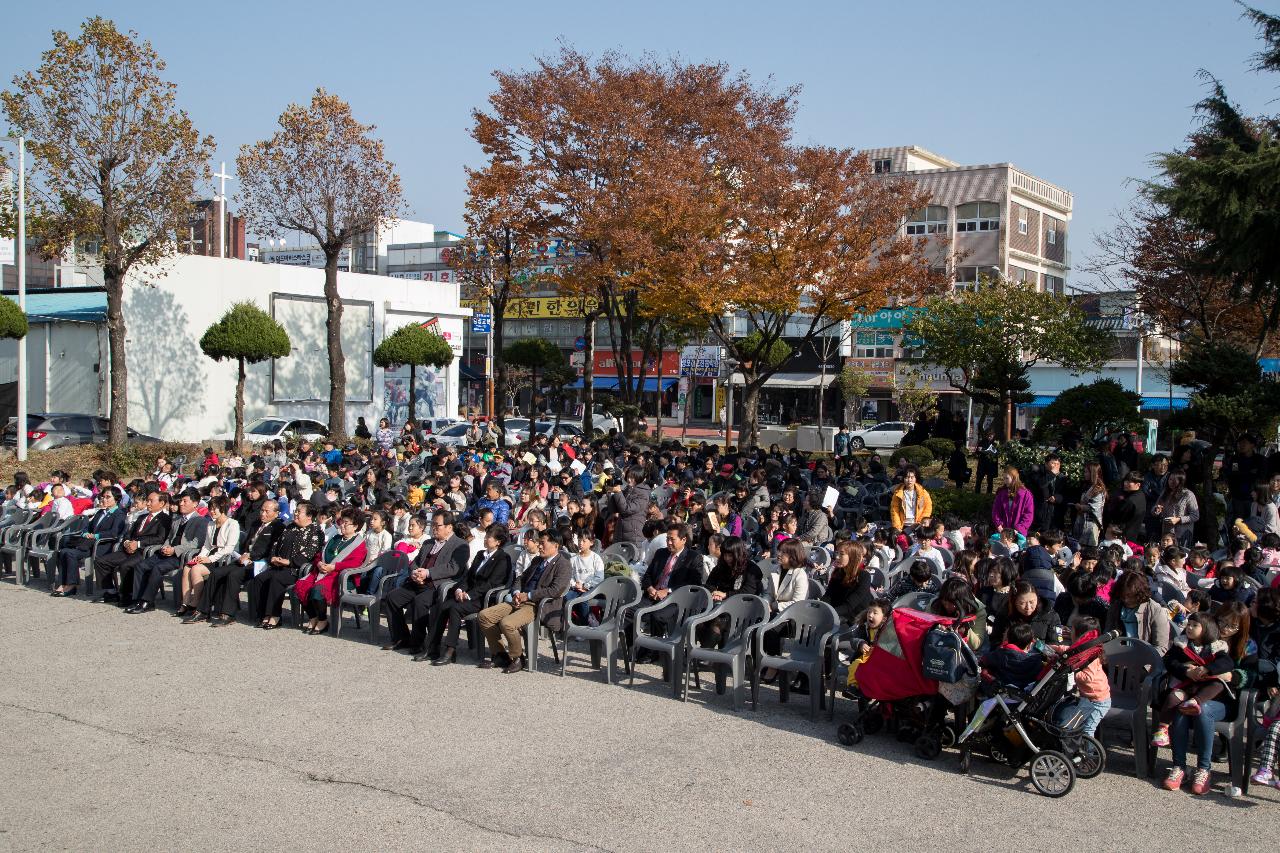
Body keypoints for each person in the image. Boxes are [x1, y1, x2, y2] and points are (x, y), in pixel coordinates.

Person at [1153, 613, 1234, 794]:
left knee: (1202, 709)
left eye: (1194, 625)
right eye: (1188, 624)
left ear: (1207, 629)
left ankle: (1204, 770)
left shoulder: (1218, 647)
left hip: (1214, 697)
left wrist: (1206, 669)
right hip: (1187, 688)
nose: (1189, 627)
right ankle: (1179, 767)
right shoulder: (1181, 643)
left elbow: (1227, 664)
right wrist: (1185, 671)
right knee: (1182, 708)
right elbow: (1169, 661)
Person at [477, 529, 572, 673]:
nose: (539, 546)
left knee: (507, 624)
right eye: (539, 543)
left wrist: (528, 596)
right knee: (484, 616)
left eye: (542, 543)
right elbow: (521, 578)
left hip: (537, 605)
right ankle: (501, 655)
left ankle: (517, 658)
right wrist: (516, 592)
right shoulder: (538, 560)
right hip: (519, 600)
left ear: (556, 545)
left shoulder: (563, 564)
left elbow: (555, 590)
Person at [380, 509, 469, 655]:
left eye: (437, 525)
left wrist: (428, 573)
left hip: (436, 586)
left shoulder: (460, 545)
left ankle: (419, 642)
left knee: (419, 602)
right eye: (432, 524)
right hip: (418, 582)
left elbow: (453, 568)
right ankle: (401, 638)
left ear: (449, 527)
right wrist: (415, 572)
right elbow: (415, 562)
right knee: (392, 597)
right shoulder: (428, 543)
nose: (433, 528)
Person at [426, 524, 513, 665]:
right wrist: (460, 589)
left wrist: (468, 595)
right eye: (486, 536)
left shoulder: (503, 558)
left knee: (455, 609)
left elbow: (491, 584)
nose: (486, 539)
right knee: (444, 605)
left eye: (489, 537)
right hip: (469, 594)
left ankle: (450, 650)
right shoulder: (480, 555)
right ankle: (432, 646)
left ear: (498, 541)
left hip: (483, 598)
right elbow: (468, 576)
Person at [127, 488, 211, 615]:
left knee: (157, 568)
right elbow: (169, 538)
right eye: (181, 501)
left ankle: (147, 601)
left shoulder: (201, 521)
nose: (181, 504)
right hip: (167, 552)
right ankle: (137, 599)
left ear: (195, 504)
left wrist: (174, 550)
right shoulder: (177, 519)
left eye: (185, 501)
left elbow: (196, 543)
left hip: (180, 556)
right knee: (141, 566)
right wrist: (165, 546)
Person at [203, 498, 284, 627]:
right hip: (244, 558)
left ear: (276, 513)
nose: (263, 514)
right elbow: (246, 543)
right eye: (262, 510)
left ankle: (228, 614)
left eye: (267, 511)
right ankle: (203, 610)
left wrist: (251, 556)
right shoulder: (256, 523)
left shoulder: (278, 527)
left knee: (234, 575)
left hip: (260, 563)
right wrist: (243, 554)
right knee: (217, 572)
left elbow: (270, 550)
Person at [246, 501, 323, 630]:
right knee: (260, 579)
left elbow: (310, 553)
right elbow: (275, 544)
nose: (296, 514)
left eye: (299, 512)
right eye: (296, 511)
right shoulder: (289, 527)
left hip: (296, 569)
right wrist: (273, 558)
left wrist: (289, 562)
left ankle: (275, 615)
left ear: (309, 516)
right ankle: (263, 614)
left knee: (277, 579)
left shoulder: (315, 532)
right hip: (279, 565)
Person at [294, 509, 368, 635]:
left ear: (355, 526)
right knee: (301, 586)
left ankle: (323, 620)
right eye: (341, 522)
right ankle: (313, 617)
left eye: (346, 523)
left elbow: (354, 563)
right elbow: (320, 553)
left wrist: (334, 567)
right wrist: (319, 563)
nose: (342, 525)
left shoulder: (359, 544)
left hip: (340, 576)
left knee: (317, 590)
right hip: (322, 571)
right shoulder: (335, 538)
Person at [93, 488, 171, 606]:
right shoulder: (141, 517)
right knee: (101, 561)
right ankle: (111, 591)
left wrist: (138, 544)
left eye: (151, 501)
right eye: (147, 500)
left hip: (144, 552)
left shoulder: (165, 519)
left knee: (126, 566)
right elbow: (129, 533)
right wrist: (127, 542)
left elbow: (160, 538)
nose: (148, 503)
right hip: (129, 548)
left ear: (161, 504)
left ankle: (128, 594)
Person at [50, 486, 126, 597]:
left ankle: (71, 586)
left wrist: (96, 536)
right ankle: (65, 583)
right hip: (89, 544)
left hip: (102, 546)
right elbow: (88, 527)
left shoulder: (119, 514)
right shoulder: (100, 513)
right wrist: (86, 533)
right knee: (64, 551)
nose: (104, 499)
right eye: (103, 497)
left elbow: (114, 533)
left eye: (108, 497)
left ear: (116, 499)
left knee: (70, 553)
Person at [177, 496, 241, 623]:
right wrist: (200, 557)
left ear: (223, 509)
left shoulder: (232, 524)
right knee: (187, 568)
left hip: (222, 558)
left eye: (214, 509)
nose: (211, 511)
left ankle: (195, 604)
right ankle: (185, 603)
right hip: (210, 555)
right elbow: (207, 545)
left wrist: (210, 559)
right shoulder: (211, 523)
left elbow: (229, 548)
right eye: (210, 509)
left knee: (196, 570)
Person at [1105, 569, 1172, 654]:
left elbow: (1161, 647)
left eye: (1130, 596)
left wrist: (1141, 659)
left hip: (1145, 659)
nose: (1126, 599)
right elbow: (1108, 634)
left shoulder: (1155, 610)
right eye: (1123, 595)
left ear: (1139, 593)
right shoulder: (1116, 607)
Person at [991, 580, 1062, 646]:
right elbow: (994, 642)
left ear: (1037, 598)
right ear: (1014, 602)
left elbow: (1055, 645)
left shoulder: (1050, 615)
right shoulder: (1004, 614)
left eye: (1032, 602)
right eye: (1022, 603)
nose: (1028, 607)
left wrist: (1037, 646)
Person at [823, 541, 873, 624]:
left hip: (855, 619)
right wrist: (820, 607)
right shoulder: (838, 572)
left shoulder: (864, 576)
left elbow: (849, 606)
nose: (837, 557)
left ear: (852, 557)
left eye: (841, 554)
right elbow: (828, 596)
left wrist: (827, 613)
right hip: (838, 613)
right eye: (837, 553)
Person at [1153, 471, 1199, 548]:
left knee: (1180, 555)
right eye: (1170, 479)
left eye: (1174, 480)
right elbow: (1154, 508)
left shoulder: (1188, 494)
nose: (1171, 482)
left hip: (1182, 533)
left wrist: (1178, 519)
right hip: (1166, 532)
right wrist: (1157, 510)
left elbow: (1195, 515)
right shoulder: (1165, 492)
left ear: (1181, 481)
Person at [607, 467, 649, 544]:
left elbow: (626, 509)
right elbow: (613, 509)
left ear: (639, 478)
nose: (629, 479)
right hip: (620, 531)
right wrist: (610, 493)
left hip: (634, 534)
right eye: (628, 477)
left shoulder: (643, 494)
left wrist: (618, 492)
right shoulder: (628, 489)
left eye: (632, 477)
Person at [1030, 454, 1070, 533]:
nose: (1055, 466)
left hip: (1055, 516)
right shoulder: (1037, 473)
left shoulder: (1062, 477)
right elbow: (1040, 485)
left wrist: (1057, 498)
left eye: (1058, 464)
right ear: (1046, 464)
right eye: (1053, 463)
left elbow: (1066, 494)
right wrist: (1052, 474)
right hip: (1040, 515)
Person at [991, 466, 1034, 536]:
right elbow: (996, 510)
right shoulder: (1001, 493)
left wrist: (1020, 528)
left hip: (1018, 532)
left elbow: (1029, 514)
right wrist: (998, 524)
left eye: (1007, 478)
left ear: (1014, 478)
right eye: (1003, 478)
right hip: (1003, 530)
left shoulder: (1026, 494)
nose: (1004, 481)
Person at [888, 467, 932, 532]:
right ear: (903, 479)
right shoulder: (898, 493)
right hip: (902, 525)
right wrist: (897, 527)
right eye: (907, 477)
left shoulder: (923, 492)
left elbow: (927, 508)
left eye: (912, 477)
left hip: (918, 525)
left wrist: (921, 522)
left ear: (915, 479)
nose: (909, 480)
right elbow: (894, 511)